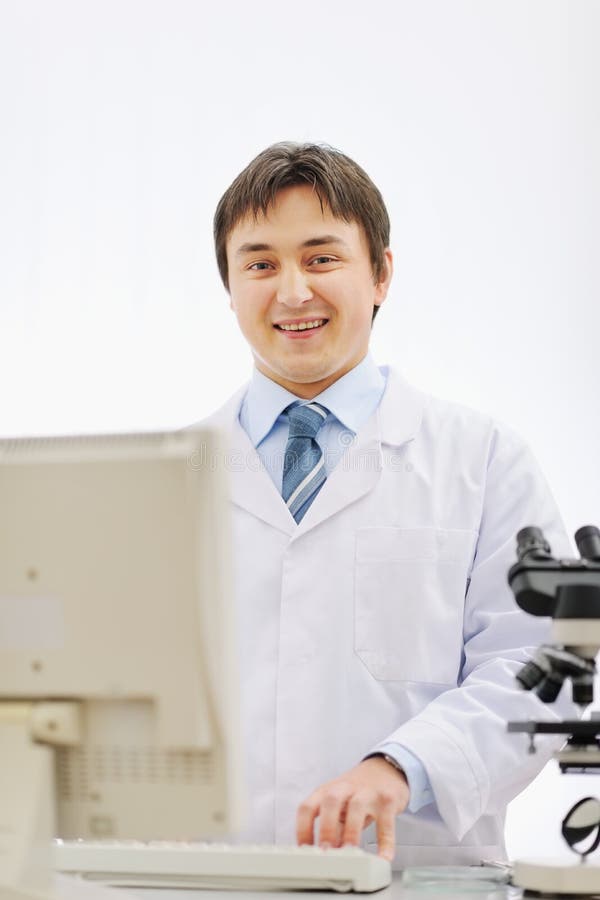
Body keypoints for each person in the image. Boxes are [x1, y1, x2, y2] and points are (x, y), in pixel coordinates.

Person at [200, 141, 571, 867]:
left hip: (415, 876)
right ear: (231, 286)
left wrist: (404, 766)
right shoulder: (165, 479)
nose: (293, 291)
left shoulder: (483, 458)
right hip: (209, 877)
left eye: (321, 257)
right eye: (261, 263)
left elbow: (546, 663)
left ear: (381, 274)